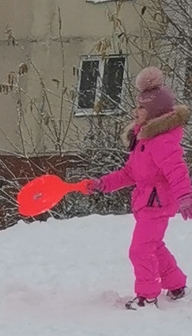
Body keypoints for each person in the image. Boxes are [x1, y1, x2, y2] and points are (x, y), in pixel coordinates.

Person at [75, 66, 191, 305]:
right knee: (154, 246)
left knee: (139, 250)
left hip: (157, 203)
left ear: (154, 113)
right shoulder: (143, 140)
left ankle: (147, 297)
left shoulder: (161, 142)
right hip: (147, 201)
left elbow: (177, 171)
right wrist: (102, 184)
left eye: (140, 107)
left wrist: (186, 196)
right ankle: (177, 285)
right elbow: (130, 172)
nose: (135, 111)